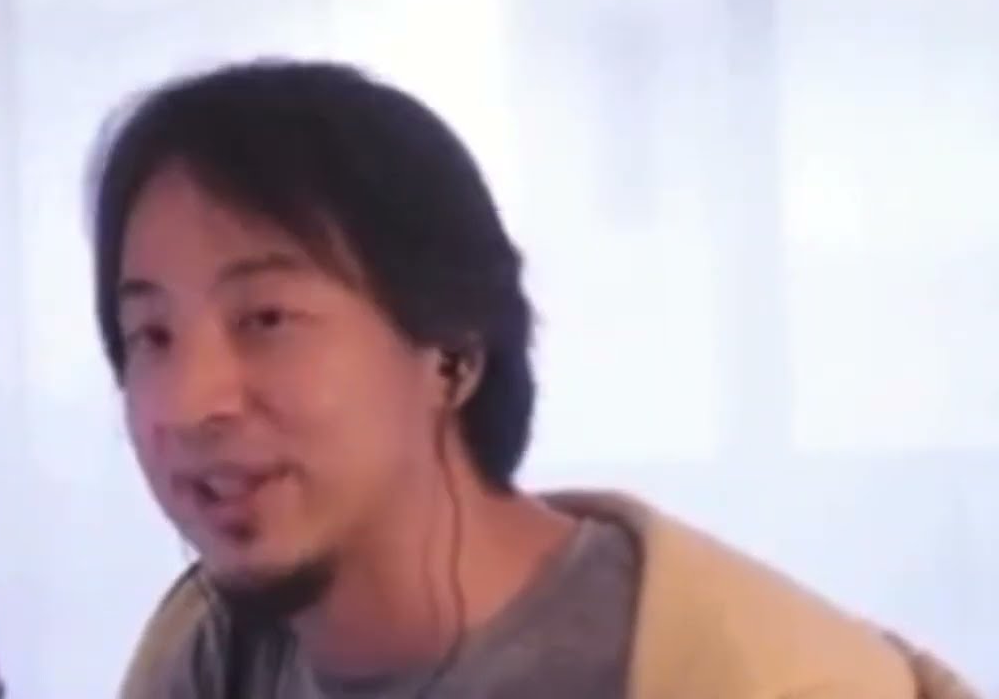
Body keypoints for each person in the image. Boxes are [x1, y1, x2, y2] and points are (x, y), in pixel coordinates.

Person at [88, 60, 976, 698]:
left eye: (266, 320)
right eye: (151, 336)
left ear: (452, 353)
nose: (188, 402)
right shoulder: (210, 654)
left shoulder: (746, 675)